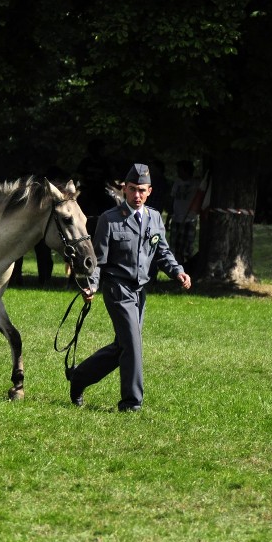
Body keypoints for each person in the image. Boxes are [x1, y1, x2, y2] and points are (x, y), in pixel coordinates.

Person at [67, 163, 191, 412]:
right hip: (117, 289)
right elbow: (99, 261)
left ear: (150, 191)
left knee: (123, 347)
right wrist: (91, 285)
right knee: (133, 345)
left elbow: (162, 251)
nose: (137, 195)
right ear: (124, 189)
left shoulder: (154, 218)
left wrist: (177, 271)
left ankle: (80, 377)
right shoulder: (109, 220)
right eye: (132, 189)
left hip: (139, 291)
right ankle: (131, 404)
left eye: (142, 190)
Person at [169, 160, 199, 263]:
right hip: (176, 217)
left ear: (187, 171)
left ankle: (186, 267)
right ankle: (176, 266)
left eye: (180, 170)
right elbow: (172, 199)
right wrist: (169, 216)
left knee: (187, 246)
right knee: (175, 246)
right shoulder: (177, 182)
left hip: (190, 218)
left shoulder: (196, 184)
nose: (178, 172)